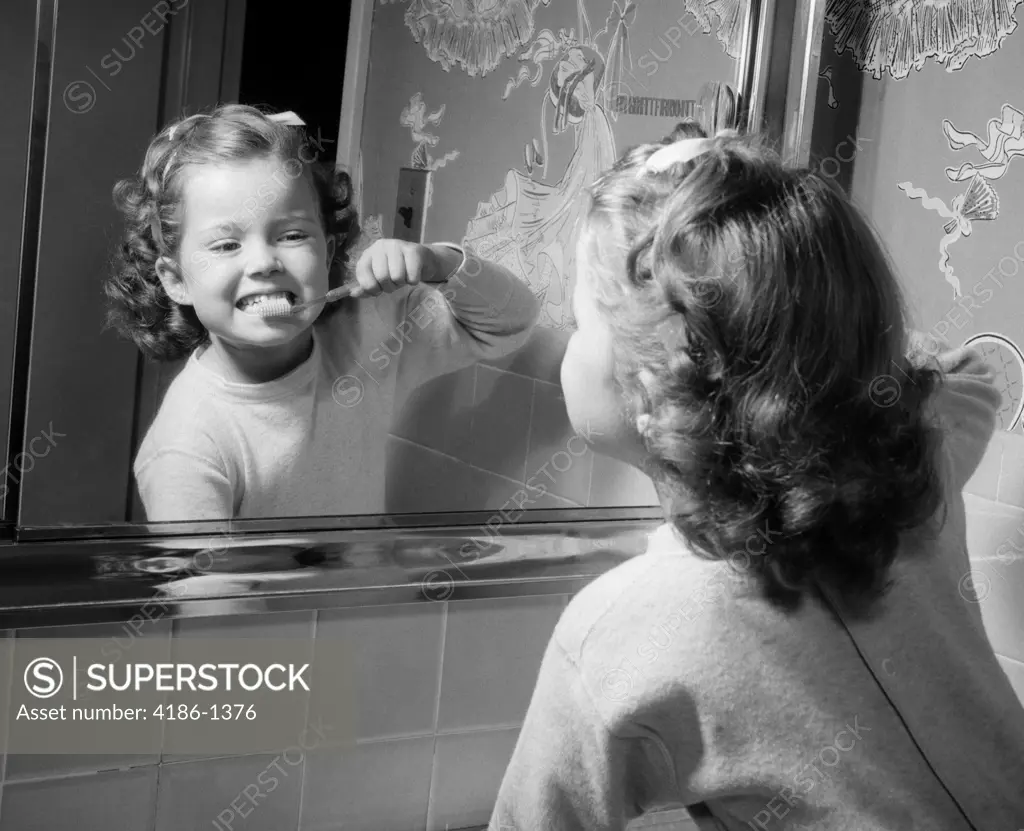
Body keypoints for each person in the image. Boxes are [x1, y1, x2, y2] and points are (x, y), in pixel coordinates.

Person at [490, 124, 1024, 829]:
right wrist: (799, 298)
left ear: (653, 385)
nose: (566, 339)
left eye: (581, 322)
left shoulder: (619, 631)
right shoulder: (911, 483)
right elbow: (966, 377)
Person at [106, 104, 539, 521]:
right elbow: (210, 594)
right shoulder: (184, 449)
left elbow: (510, 324)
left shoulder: (371, 329)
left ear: (327, 250)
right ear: (176, 279)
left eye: (292, 235)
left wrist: (438, 263)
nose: (264, 263)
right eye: (226, 245)